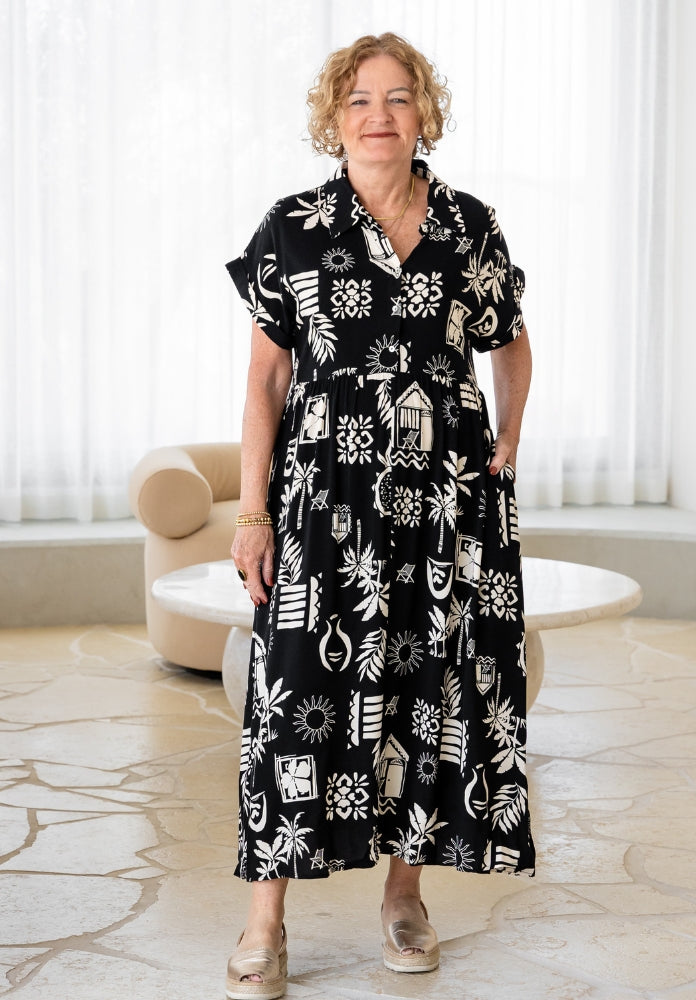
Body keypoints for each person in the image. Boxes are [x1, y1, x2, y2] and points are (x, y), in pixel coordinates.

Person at [224, 31, 535, 1000]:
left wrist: (510, 437)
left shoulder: (469, 224)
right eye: (360, 100)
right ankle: (264, 919)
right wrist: (250, 507)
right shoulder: (295, 226)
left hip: (447, 502)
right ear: (335, 116)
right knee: (294, 696)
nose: (380, 116)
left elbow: (511, 343)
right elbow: (266, 375)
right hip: (324, 502)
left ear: (423, 114)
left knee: (430, 699)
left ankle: (406, 895)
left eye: (399, 98)